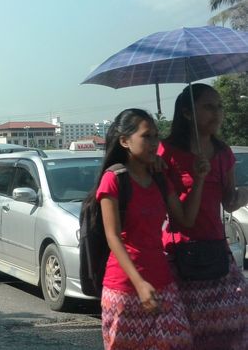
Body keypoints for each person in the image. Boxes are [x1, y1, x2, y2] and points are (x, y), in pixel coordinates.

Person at [95, 108, 209, 350]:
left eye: (156, 136)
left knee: (179, 342)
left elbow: (186, 220)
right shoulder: (114, 179)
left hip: (162, 282)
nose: (154, 143)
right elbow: (113, 237)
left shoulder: (158, 177)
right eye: (147, 136)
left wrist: (199, 179)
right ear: (125, 141)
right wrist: (139, 283)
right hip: (124, 287)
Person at [159, 84, 248, 349]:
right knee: (185, 332)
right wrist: (197, 178)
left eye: (219, 106)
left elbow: (229, 202)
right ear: (186, 113)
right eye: (208, 107)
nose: (217, 113)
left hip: (216, 251)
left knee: (233, 323)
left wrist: (244, 193)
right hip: (178, 254)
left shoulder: (223, 153)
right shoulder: (166, 152)